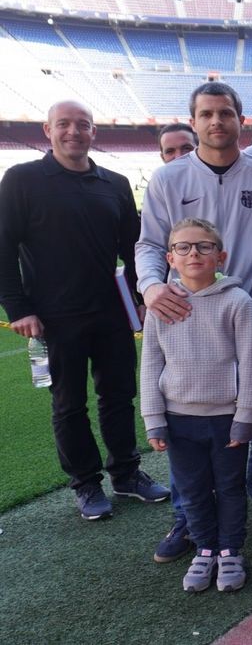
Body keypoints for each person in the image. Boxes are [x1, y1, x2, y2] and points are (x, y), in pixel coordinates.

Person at [137, 82, 252, 546]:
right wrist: (151, 286)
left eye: (225, 113)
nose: (216, 121)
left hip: (251, 317)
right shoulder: (168, 179)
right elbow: (149, 244)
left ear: (240, 120)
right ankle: (189, 517)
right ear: (193, 122)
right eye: (206, 114)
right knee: (185, 423)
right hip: (184, 318)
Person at [0, 100, 168, 521]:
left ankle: (126, 473)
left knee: (119, 395)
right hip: (54, 316)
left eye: (82, 125)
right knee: (69, 403)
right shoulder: (22, 179)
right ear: (48, 130)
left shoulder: (114, 182)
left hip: (111, 312)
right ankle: (86, 483)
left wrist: (141, 297)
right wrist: (18, 307)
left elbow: (133, 248)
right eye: (64, 124)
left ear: (94, 131)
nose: (73, 132)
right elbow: (3, 247)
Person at [140, 218, 252, 593]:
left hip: (226, 419)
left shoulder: (238, 302)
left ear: (220, 256)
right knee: (192, 491)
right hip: (179, 421)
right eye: (184, 247)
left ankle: (230, 551)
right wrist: (153, 418)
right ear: (171, 258)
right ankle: (205, 549)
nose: (194, 253)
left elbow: (251, 363)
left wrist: (246, 416)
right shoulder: (161, 306)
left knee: (229, 487)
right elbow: (151, 364)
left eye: (204, 246)